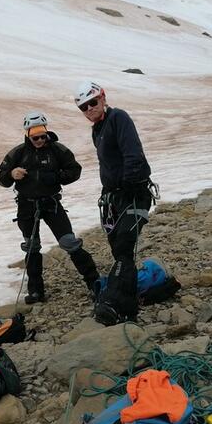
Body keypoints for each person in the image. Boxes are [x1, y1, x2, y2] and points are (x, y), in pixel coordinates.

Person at [0, 111, 100, 304]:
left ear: (46, 132)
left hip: (52, 204)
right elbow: (1, 178)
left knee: (69, 242)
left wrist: (56, 177)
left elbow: (75, 170)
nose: (39, 140)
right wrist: (11, 174)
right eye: (35, 137)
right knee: (32, 247)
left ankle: (95, 283)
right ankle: (36, 292)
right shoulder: (17, 153)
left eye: (42, 136)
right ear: (28, 134)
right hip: (26, 206)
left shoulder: (57, 150)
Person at [74, 80, 154, 326]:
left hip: (133, 193)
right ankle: (125, 299)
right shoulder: (97, 128)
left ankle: (120, 305)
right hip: (113, 196)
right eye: (83, 107)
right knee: (119, 247)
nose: (89, 109)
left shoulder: (119, 118)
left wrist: (129, 184)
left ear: (103, 98)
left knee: (123, 244)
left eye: (92, 102)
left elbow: (133, 153)